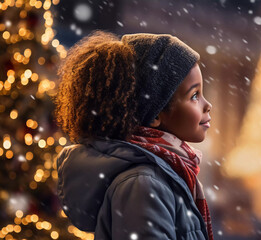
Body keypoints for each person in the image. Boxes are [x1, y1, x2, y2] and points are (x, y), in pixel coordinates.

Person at [54, 31, 213, 240]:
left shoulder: (166, 174)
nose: (207, 105)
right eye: (194, 95)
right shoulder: (144, 184)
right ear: (156, 113)